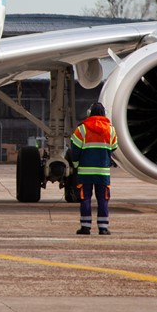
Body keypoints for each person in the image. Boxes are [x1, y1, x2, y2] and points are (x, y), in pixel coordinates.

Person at [66, 101, 118, 235]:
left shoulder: (82, 129)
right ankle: (103, 227)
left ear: (89, 113)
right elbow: (114, 147)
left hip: (85, 172)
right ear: (104, 113)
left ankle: (85, 227)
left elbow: (75, 150)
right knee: (103, 200)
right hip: (103, 173)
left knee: (85, 199)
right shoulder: (110, 129)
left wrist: (76, 164)